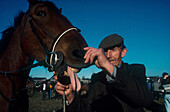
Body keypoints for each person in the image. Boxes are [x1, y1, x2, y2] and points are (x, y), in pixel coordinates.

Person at [55, 34, 153, 112]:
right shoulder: (97, 78)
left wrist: (108, 67)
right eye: (105, 51)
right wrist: (70, 95)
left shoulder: (135, 70)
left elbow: (144, 99)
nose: (109, 56)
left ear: (123, 52)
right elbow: (85, 108)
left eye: (113, 50)